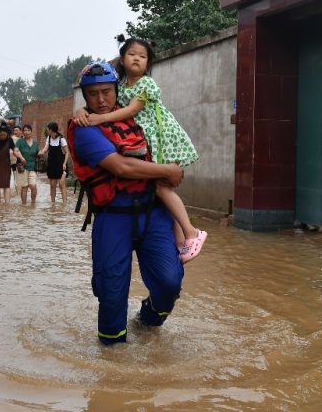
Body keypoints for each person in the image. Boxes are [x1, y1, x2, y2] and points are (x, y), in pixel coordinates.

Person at [69, 61, 185, 345]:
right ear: (85, 97)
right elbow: (122, 168)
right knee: (111, 293)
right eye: (93, 94)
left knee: (170, 282)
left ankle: (147, 321)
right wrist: (168, 172)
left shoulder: (135, 117)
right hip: (113, 217)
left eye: (106, 91)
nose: (101, 100)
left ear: (116, 91)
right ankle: (112, 361)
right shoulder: (84, 129)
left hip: (152, 212)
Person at [75, 36, 206, 263]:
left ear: (148, 63)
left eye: (143, 56)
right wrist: (81, 111)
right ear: (122, 59)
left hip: (159, 138)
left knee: (162, 188)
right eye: (132, 54)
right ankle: (179, 241)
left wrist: (98, 118)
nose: (137, 58)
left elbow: (129, 111)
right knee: (158, 188)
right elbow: (105, 103)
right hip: (141, 141)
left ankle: (191, 232)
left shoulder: (146, 84)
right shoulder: (121, 86)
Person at [38, 122, 70, 204]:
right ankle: (53, 204)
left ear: (51, 130)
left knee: (61, 184)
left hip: (61, 165)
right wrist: (42, 152)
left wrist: (64, 163)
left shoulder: (61, 139)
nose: (47, 130)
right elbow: (45, 149)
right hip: (51, 164)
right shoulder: (48, 138)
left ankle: (65, 203)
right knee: (52, 185)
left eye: (47, 129)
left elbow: (67, 152)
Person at [16, 124, 40, 204]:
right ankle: (24, 205)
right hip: (23, 167)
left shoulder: (35, 143)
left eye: (28, 130)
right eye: (25, 131)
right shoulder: (20, 141)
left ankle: (33, 204)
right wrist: (21, 158)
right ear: (23, 132)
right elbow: (15, 151)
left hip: (32, 167)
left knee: (33, 186)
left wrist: (42, 152)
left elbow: (38, 152)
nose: (26, 132)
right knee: (24, 187)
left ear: (31, 132)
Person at [11, 126, 23, 194]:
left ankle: (21, 192)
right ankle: (18, 193)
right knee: (16, 177)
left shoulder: (23, 139)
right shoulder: (11, 139)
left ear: (21, 131)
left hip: (21, 161)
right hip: (13, 161)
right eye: (14, 130)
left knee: (22, 177)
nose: (15, 132)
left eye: (17, 130)